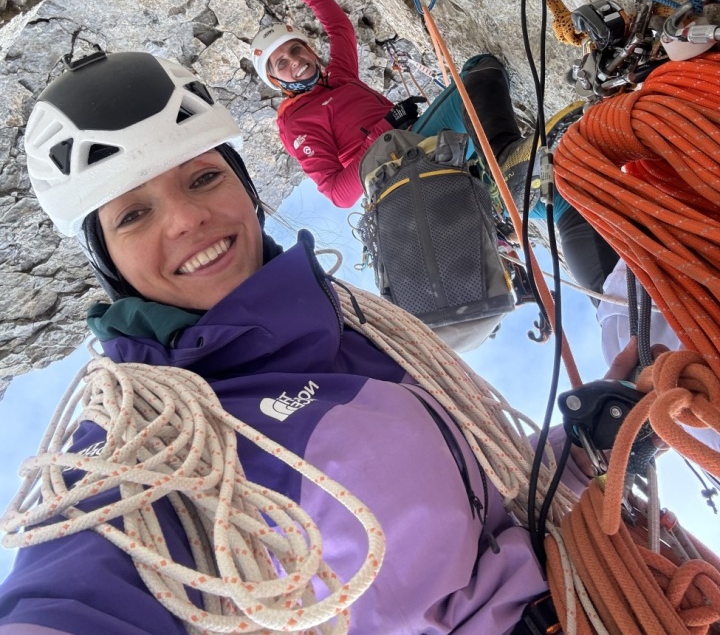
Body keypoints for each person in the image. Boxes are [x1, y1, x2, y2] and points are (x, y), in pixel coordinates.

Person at [0, 48, 640, 635]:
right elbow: (68, 596)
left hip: (606, 593)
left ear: (247, 191)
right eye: (133, 214)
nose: (188, 218)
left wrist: (590, 448)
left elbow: (478, 490)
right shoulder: (138, 444)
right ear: (107, 260)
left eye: (202, 179)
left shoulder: (358, 330)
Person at [254, 0, 619, 296]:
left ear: (310, 50)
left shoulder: (340, 77)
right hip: (399, 168)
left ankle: (613, 308)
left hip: (419, 148)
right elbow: (339, 192)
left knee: (559, 191)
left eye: (296, 50)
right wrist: (386, 128)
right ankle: (503, 166)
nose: (294, 62)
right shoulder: (297, 122)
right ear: (277, 82)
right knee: (478, 73)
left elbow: (339, 28)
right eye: (281, 63)